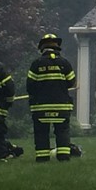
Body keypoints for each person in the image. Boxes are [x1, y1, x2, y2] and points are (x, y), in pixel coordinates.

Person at [27, 33, 77, 163]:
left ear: (42, 47)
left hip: (41, 106)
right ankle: (64, 158)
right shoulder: (64, 63)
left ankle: (42, 158)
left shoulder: (36, 64)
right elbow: (71, 82)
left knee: (41, 132)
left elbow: (30, 85)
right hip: (61, 105)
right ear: (57, 47)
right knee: (62, 131)